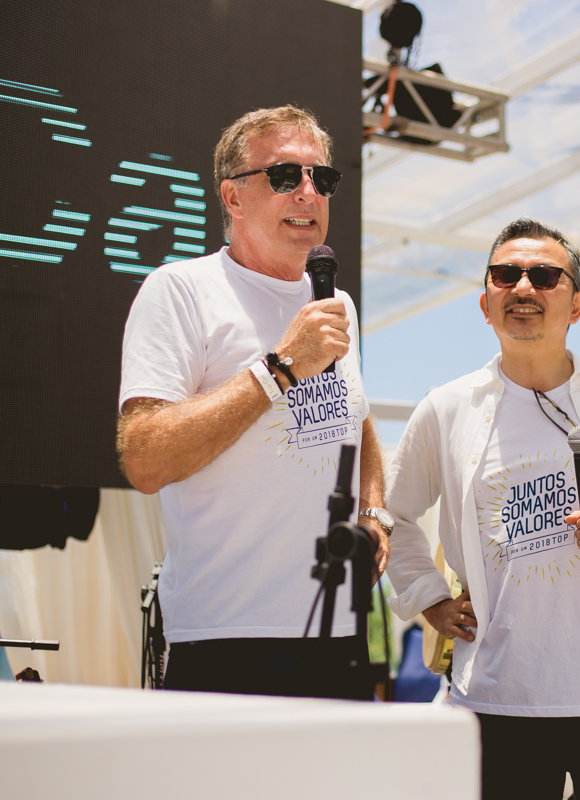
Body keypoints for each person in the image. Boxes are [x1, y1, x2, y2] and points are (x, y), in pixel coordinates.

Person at [384, 218, 580, 800]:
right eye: (505, 274)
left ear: (576, 305)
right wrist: (431, 601)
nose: (523, 287)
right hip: (496, 696)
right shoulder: (445, 409)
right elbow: (392, 517)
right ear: (485, 303)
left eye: (545, 276)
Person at [116, 104, 390, 699]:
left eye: (322, 178)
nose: (308, 192)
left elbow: (359, 421)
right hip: (225, 637)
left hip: (339, 632)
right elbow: (144, 459)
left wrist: (374, 514)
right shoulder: (181, 291)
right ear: (232, 197)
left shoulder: (335, 302)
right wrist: (280, 367)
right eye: (285, 176)